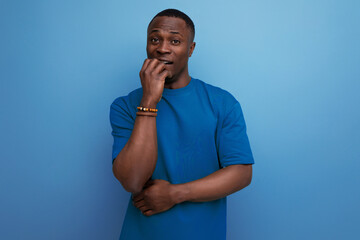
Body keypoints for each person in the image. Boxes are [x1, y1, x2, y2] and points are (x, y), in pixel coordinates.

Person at [110, 8, 254, 240]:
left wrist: (175, 194)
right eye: (154, 39)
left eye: (175, 41)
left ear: (191, 49)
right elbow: (133, 180)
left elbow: (241, 173)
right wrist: (149, 101)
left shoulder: (222, 103)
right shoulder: (125, 106)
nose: (162, 48)